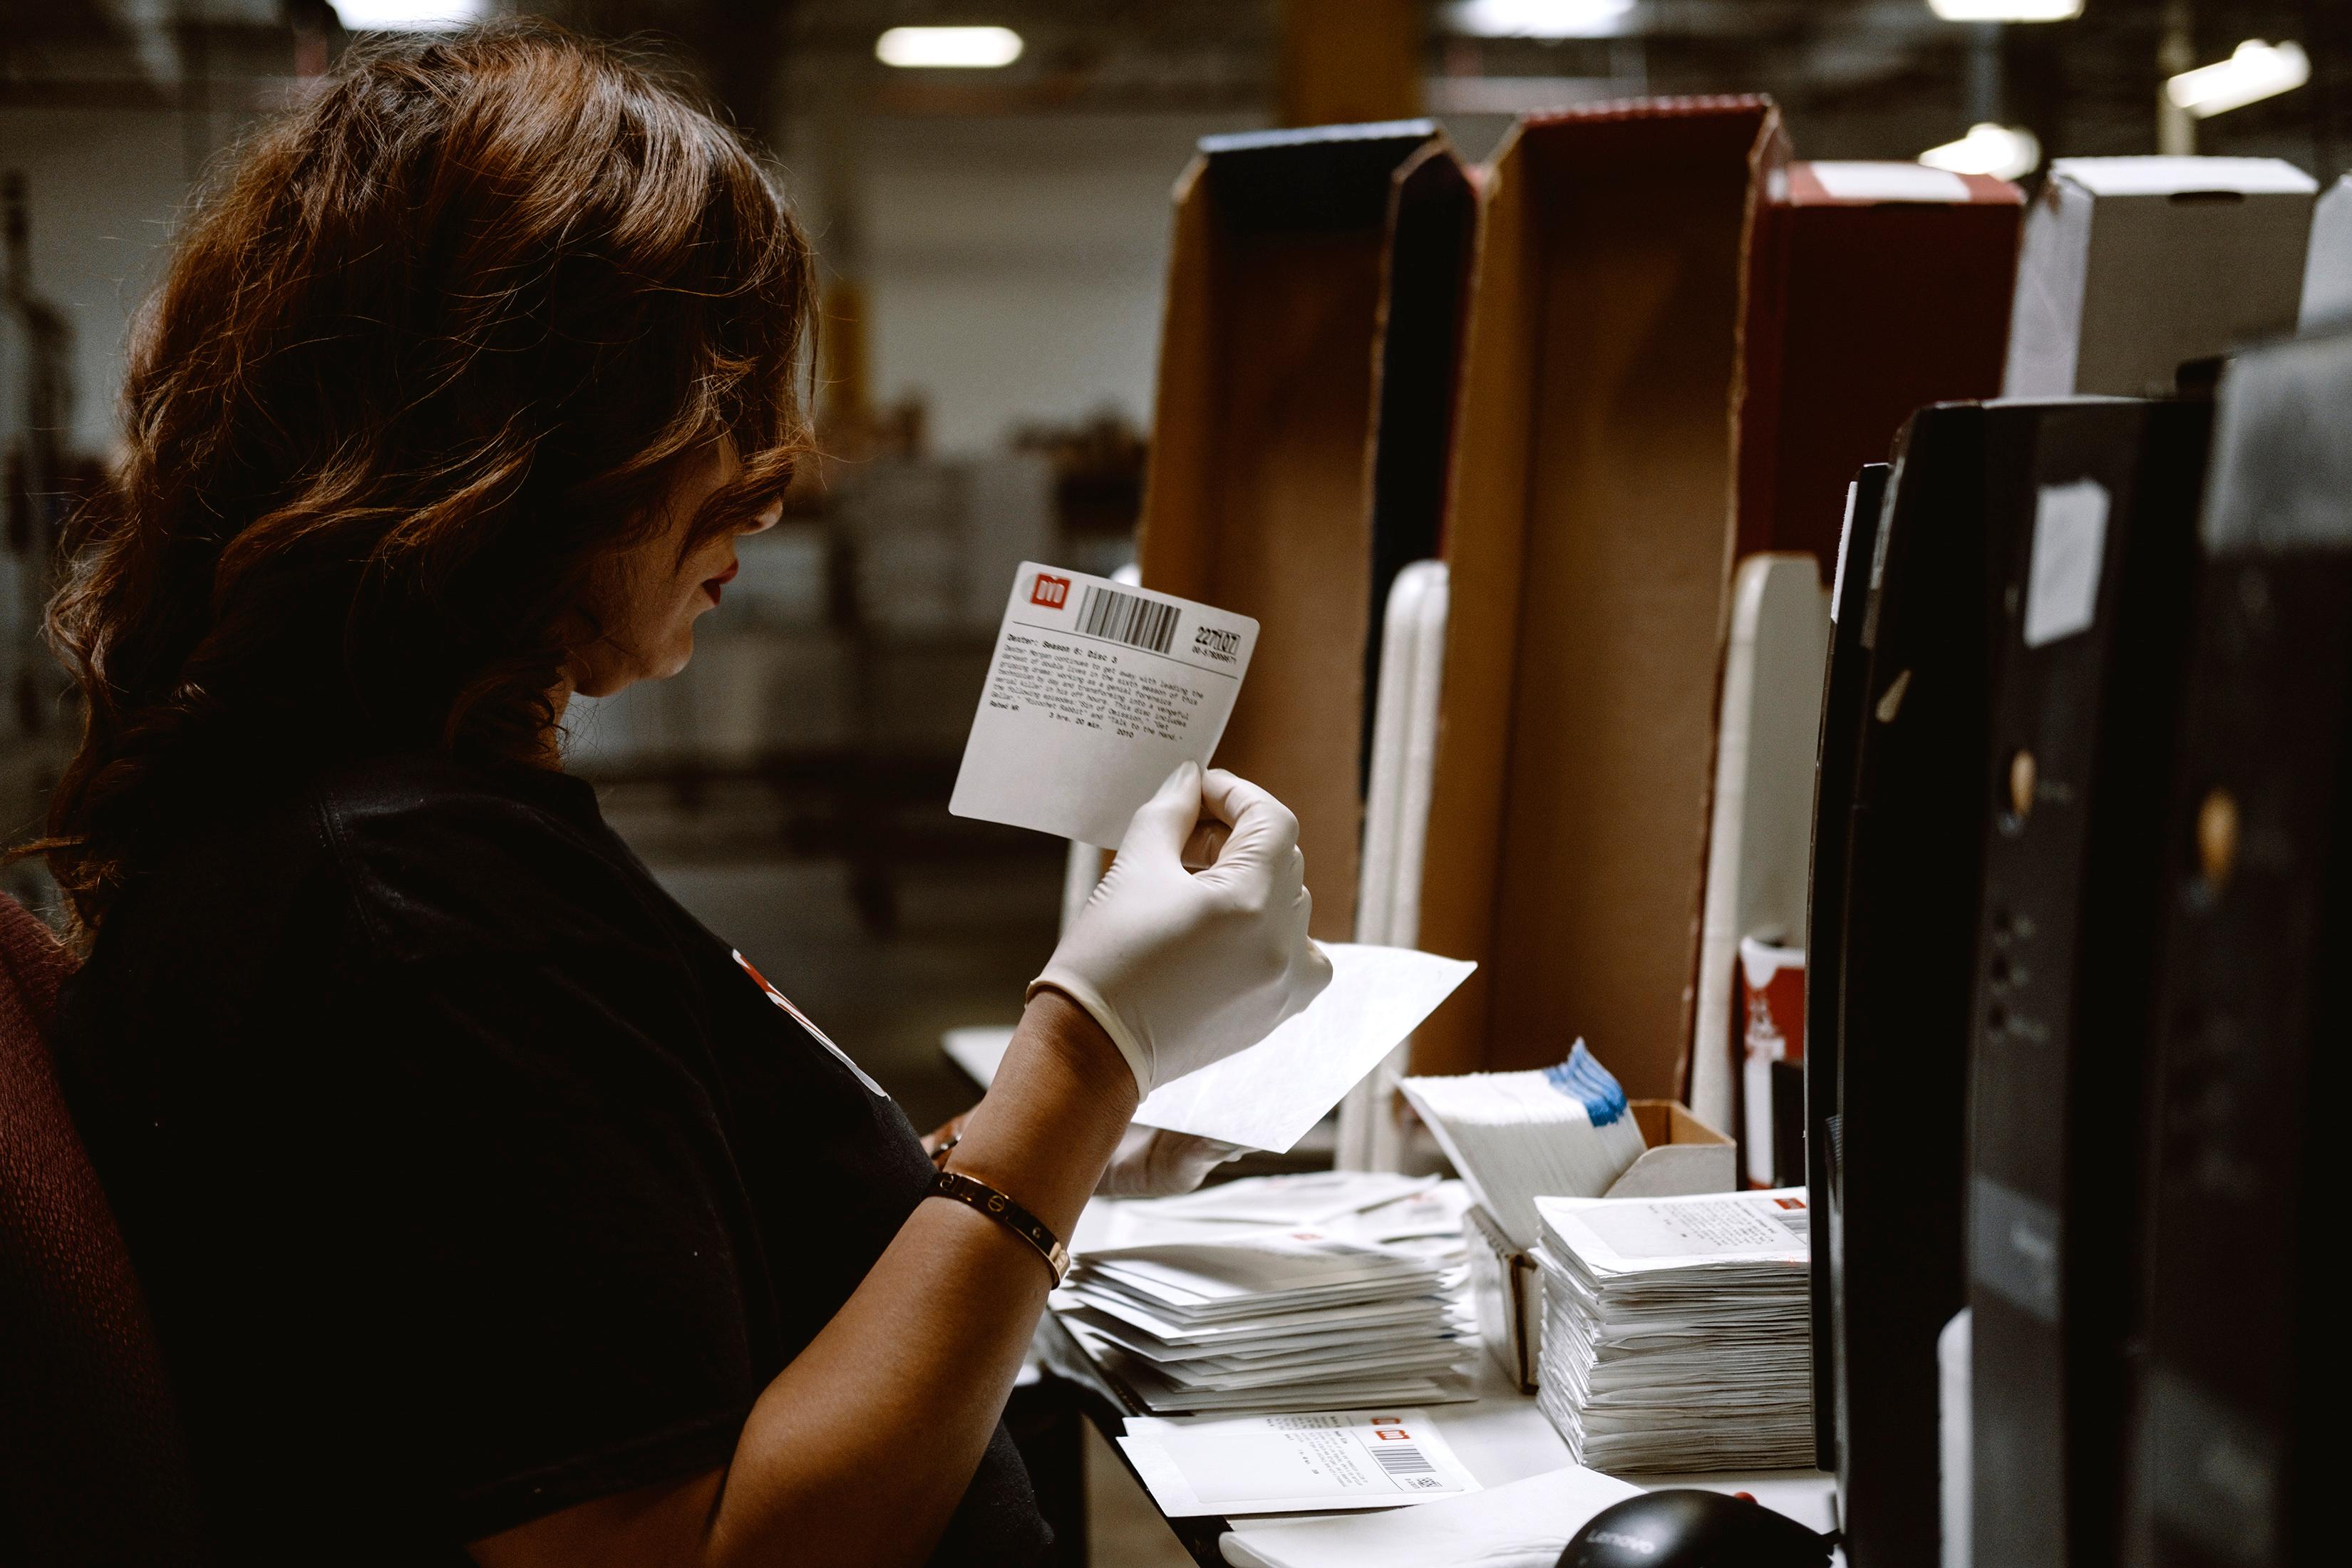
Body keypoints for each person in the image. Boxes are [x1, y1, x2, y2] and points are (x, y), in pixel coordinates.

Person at [31, 23, 1329, 1567]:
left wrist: (1073, 1134)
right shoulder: (412, 914)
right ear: (514, 434)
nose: (771, 471)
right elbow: (692, 1547)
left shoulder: (355, 843)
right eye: (705, 395)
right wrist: (1079, 1054)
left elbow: (627, 1244)